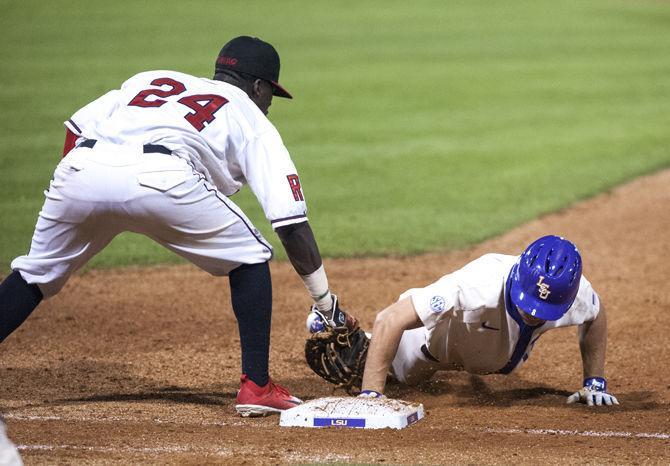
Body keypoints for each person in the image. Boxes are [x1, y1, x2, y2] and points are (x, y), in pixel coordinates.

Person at [0, 36, 349, 417]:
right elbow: (290, 223)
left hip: (80, 169)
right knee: (250, 256)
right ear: (259, 86)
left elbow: (76, 129)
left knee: (35, 273)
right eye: (270, 95)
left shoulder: (151, 78)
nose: (268, 105)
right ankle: (257, 387)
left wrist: (88, 196)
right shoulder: (249, 115)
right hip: (162, 177)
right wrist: (324, 302)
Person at [358, 235, 619, 407]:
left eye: (544, 309)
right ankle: (354, 338)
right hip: (424, 343)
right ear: (517, 277)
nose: (535, 314)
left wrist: (594, 382)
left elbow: (596, 314)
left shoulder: (574, 292)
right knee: (387, 369)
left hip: (473, 352)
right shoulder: (476, 285)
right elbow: (390, 318)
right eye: (529, 303)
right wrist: (371, 397)